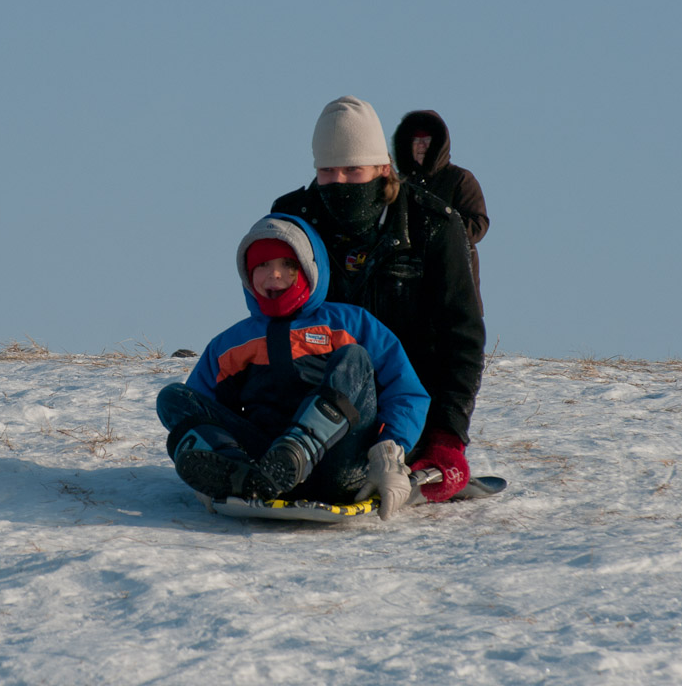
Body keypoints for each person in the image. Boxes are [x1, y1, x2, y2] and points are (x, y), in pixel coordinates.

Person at [270, 96, 486, 502]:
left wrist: (447, 435)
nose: (341, 182)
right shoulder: (293, 219)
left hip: (405, 412)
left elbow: (462, 337)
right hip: (308, 399)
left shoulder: (433, 226)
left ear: (383, 167)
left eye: (354, 169)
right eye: (327, 171)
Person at [156, 213, 430, 520]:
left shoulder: (351, 323)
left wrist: (390, 453)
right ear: (247, 274)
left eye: (287, 265)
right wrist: (209, 460)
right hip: (267, 470)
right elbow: (204, 408)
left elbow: (405, 391)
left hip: (339, 464)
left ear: (310, 269)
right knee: (175, 398)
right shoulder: (230, 343)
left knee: (353, 358)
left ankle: (297, 451)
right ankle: (235, 472)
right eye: (261, 265)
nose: (274, 275)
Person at [392, 109, 489, 314]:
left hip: (454, 282)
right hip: (407, 287)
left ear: (438, 144)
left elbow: (478, 224)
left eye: (427, 140)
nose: (421, 146)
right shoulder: (398, 185)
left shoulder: (460, 179)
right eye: (415, 140)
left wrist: (439, 228)